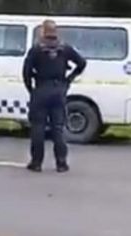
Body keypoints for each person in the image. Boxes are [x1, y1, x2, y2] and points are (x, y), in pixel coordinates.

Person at [22, 20, 86, 173]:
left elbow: (26, 72)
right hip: (58, 90)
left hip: (41, 89)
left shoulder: (36, 49)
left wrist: (31, 89)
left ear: (43, 31)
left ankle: (36, 163)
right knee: (58, 128)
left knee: (38, 127)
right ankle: (61, 163)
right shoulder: (64, 48)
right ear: (55, 31)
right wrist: (68, 79)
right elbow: (81, 63)